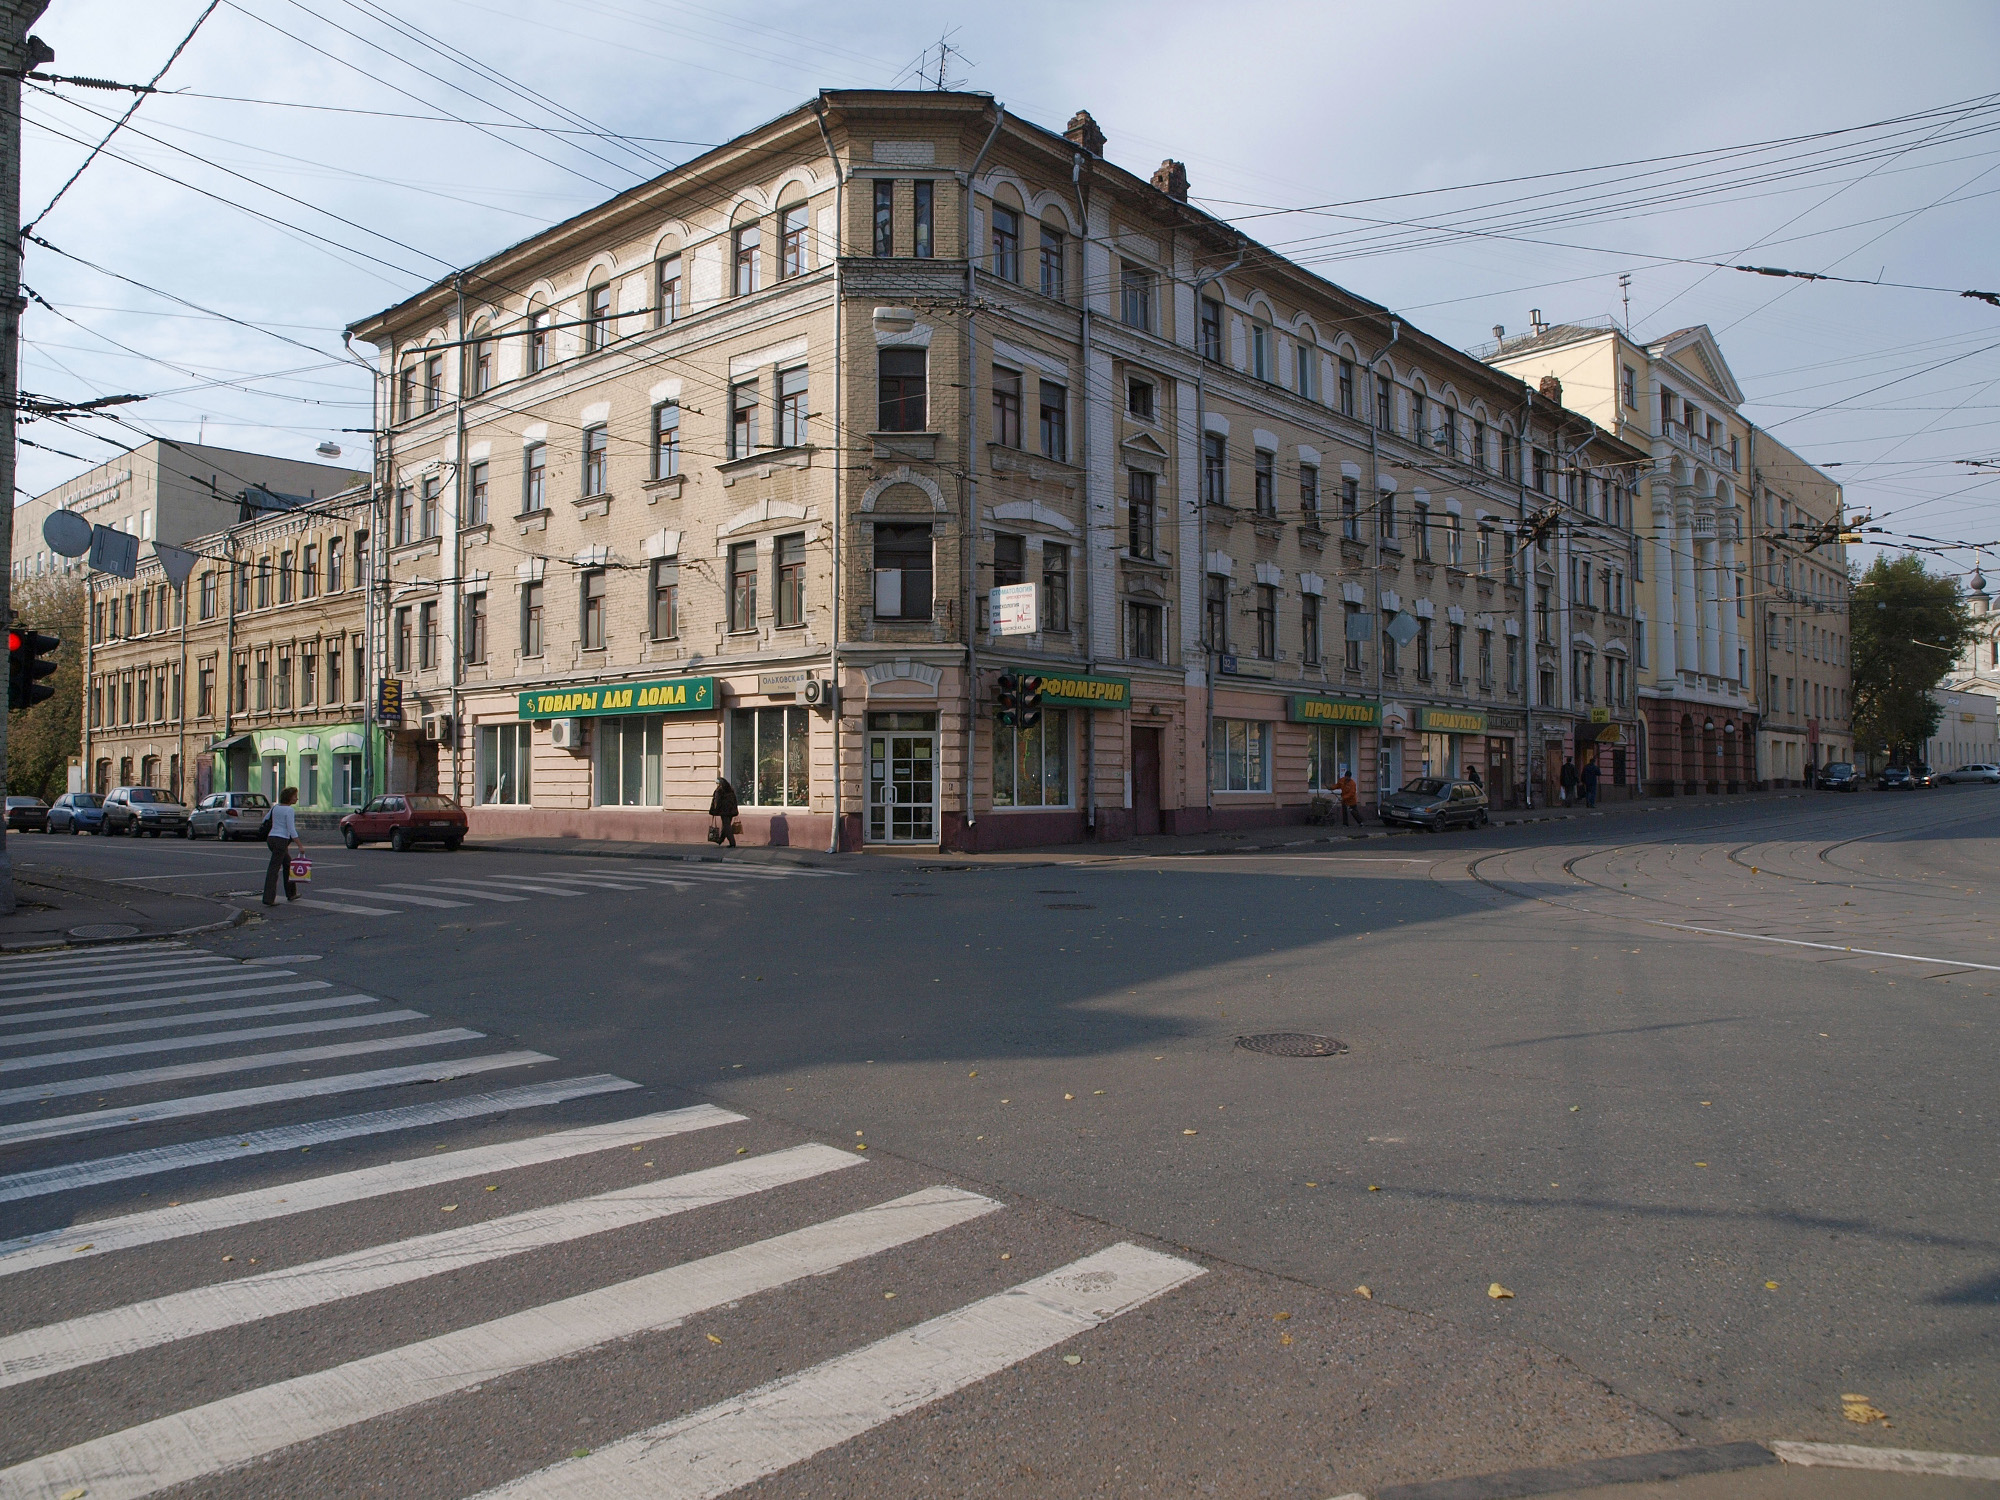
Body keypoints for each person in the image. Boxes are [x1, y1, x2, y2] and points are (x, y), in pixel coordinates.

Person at [262, 785, 303, 906]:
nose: (297, 799)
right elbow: (291, 829)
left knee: (288, 864)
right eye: (295, 796)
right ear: (289, 798)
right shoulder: (289, 810)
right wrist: (300, 845)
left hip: (271, 838)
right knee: (274, 869)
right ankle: (268, 899)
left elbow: (265, 820)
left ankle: (291, 894)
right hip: (281, 841)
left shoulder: (275, 808)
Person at [708, 775, 739, 848]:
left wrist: (714, 810)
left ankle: (732, 843)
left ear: (720, 783)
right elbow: (735, 801)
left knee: (726, 826)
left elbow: (717, 802)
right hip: (731, 811)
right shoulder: (730, 790)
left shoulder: (719, 791)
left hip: (724, 811)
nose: (717, 785)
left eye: (717, 783)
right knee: (726, 826)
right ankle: (720, 840)